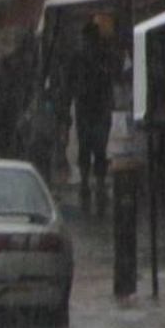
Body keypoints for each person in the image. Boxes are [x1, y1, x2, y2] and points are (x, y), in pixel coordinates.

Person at [71, 20, 114, 215]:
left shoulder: (95, 57)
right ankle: (92, 182)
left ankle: (92, 182)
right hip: (91, 107)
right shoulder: (86, 57)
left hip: (93, 107)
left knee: (94, 146)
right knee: (93, 146)